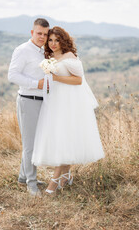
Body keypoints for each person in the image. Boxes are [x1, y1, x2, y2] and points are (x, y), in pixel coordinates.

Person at [31, 26, 105, 194]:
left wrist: (56, 77)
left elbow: (78, 80)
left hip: (70, 103)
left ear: (63, 40)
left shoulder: (69, 56)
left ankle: (54, 181)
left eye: (57, 40)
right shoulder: (50, 57)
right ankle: (66, 176)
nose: (53, 43)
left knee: (66, 136)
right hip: (55, 102)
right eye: (50, 40)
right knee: (61, 137)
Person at [8, 18, 50, 197]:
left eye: (45, 34)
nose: (42, 37)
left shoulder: (45, 52)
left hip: (43, 102)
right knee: (29, 145)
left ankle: (23, 177)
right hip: (28, 100)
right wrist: (36, 84)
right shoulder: (22, 50)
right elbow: (12, 75)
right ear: (32, 33)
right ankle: (31, 185)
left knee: (36, 142)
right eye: (39, 33)